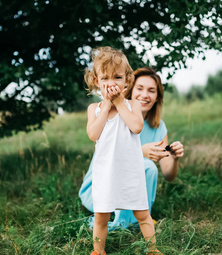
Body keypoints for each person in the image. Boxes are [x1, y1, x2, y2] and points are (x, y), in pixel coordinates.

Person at [79, 66, 184, 230]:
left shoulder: (158, 128)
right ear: (130, 91)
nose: (145, 95)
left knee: (149, 168)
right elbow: (107, 153)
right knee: (146, 165)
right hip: (100, 188)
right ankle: (124, 224)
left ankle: (137, 218)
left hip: (126, 192)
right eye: (140, 89)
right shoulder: (113, 114)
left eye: (151, 91)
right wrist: (140, 152)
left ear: (157, 97)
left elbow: (169, 175)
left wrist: (175, 158)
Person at [84, 47, 162, 255]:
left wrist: (118, 103)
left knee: (143, 214)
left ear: (127, 80)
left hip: (130, 172)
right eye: (105, 78)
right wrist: (108, 103)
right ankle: (98, 251)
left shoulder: (132, 104)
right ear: (96, 80)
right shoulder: (95, 109)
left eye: (117, 77)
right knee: (101, 217)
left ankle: (152, 249)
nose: (111, 83)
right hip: (105, 173)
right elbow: (93, 134)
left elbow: (136, 127)